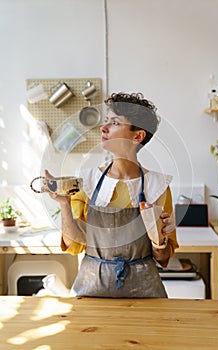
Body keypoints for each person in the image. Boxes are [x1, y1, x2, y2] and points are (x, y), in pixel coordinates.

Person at [44, 92, 179, 298]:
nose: (103, 128)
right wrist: (64, 204)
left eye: (114, 122)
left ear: (138, 136)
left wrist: (159, 238)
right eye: (106, 121)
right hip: (91, 290)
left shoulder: (158, 186)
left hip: (144, 293)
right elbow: (74, 244)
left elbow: (163, 258)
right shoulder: (87, 182)